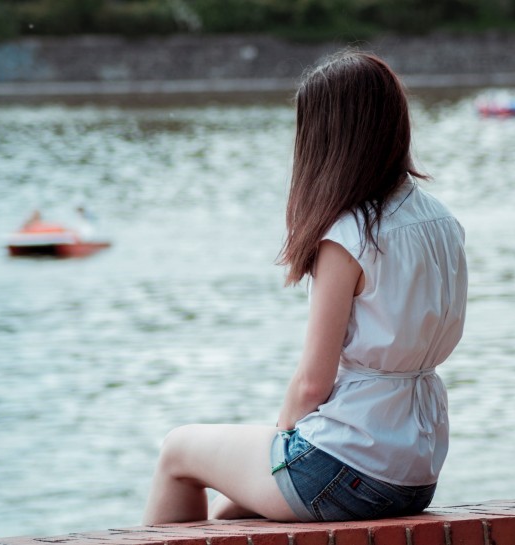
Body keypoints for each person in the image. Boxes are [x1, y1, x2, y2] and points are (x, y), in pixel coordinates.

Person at [142, 50, 468, 524]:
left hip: (351, 466)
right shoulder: (442, 220)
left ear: (327, 138)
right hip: (415, 471)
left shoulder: (353, 233)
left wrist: (280, 444)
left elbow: (313, 383)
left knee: (177, 452)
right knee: (229, 513)